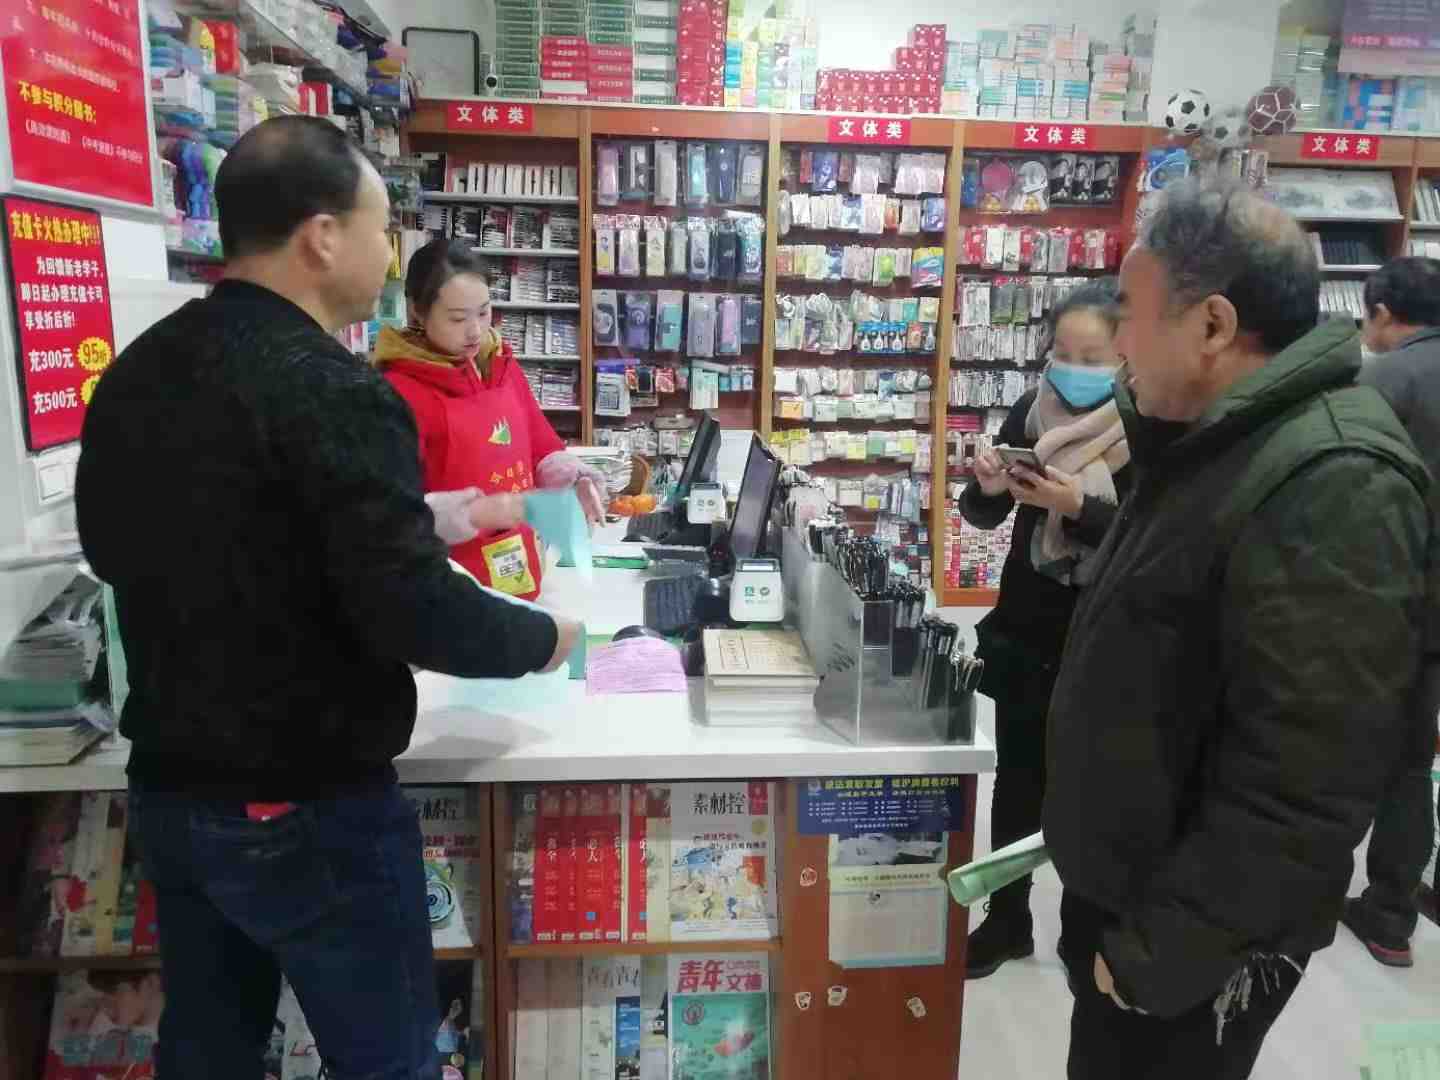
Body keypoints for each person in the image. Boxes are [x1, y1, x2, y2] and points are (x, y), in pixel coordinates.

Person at [76, 116, 581, 1080]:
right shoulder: (333, 387)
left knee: (209, 1050)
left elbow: (118, 548)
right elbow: (410, 607)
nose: (390, 253)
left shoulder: (139, 368)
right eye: (382, 227)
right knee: (386, 1059)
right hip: (307, 801)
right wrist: (547, 639)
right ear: (321, 236)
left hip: (173, 788)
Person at [1044, 180, 1434, 1079]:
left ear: (1214, 326)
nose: (1119, 343)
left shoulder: (1334, 478)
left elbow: (1305, 781)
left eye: (1132, 314)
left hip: (1189, 945)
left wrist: (1161, 953)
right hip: (1139, 890)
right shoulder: (1215, 439)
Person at [959, 279, 1133, 979]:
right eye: (1062, 351)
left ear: (1126, 354)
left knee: (1094, 792)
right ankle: (1007, 920)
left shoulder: (1150, 424)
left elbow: (1155, 539)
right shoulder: (1032, 409)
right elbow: (983, 515)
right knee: (1017, 781)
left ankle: (1086, 931)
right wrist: (988, 487)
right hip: (1028, 626)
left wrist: (1080, 508)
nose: (1072, 367)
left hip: (1104, 638)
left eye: (1091, 356)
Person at [375, 239, 606, 600]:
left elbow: (542, 448)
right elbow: (393, 516)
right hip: (449, 592)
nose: (475, 331)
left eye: (483, 313)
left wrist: (575, 480)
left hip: (522, 572)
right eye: (457, 318)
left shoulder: (501, 366)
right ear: (418, 312)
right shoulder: (397, 392)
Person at [1343, 256, 1440, 967]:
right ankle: (1396, 909)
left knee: (1364, 752)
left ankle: (1362, 909)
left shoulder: (1384, 380)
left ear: (1380, 313)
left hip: (1393, 600)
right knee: (1414, 759)